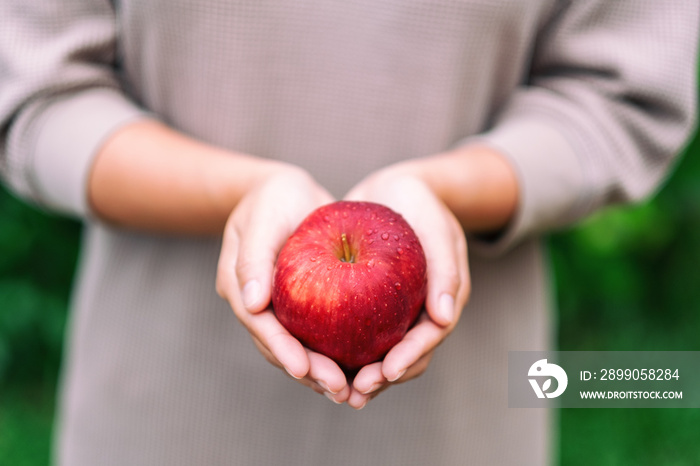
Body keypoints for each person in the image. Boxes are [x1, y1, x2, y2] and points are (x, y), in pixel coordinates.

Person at [1, 1, 697, 464]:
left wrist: (448, 188)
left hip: (459, 423)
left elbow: (619, 95)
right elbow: (36, 91)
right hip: (162, 411)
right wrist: (239, 190)